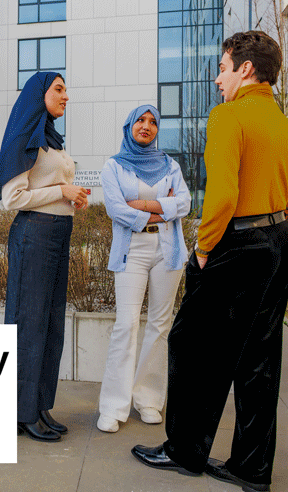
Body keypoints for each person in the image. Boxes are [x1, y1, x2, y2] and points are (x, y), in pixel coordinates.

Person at [132, 31, 288, 492]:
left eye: (223, 67)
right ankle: (252, 469)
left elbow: (224, 195)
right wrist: (275, 237)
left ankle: (184, 450)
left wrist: (205, 249)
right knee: (259, 359)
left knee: (192, 345)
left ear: (245, 69)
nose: (217, 79)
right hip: (278, 241)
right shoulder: (283, 124)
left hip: (237, 243)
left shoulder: (228, 116)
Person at [0, 72, 90, 443]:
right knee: (29, 322)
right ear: (39, 94)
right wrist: (61, 190)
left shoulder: (51, 139)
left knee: (52, 323)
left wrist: (71, 196)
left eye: (66, 89)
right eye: (59, 89)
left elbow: (53, 190)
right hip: (34, 234)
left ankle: (39, 405)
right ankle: (20, 414)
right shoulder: (25, 137)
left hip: (57, 232)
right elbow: (13, 199)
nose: (66, 96)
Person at [97, 105, 191, 433]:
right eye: (141, 120)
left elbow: (185, 202)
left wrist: (145, 205)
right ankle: (112, 406)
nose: (146, 126)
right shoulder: (114, 166)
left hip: (168, 250)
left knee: (160, 325)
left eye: (152, 122)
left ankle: (148, 399)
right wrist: (162, 209)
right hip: (132, 251)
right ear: (130, 126)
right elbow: (115, 209)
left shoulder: (170, 165)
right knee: (126, 325)